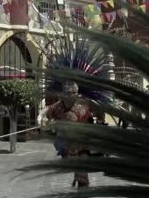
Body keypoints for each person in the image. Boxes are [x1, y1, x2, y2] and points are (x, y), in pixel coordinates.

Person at [37, 35, 113, 188]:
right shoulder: (59, 106)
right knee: (75, 167)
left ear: (76, 94)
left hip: (83, 142)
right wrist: (41, 119)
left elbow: (99, 113)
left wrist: (98, 122)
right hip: (66, 143)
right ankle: (79, 180)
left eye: (71, 93)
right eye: (65, 93)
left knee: (82, 171)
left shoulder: (84, 105)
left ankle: (82, 186)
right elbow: (46, 112)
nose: (68, 96)